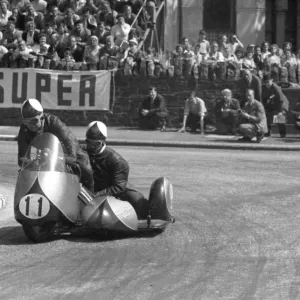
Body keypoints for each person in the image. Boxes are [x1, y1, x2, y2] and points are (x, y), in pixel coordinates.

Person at [18, 98, 94, 191]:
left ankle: (92, 194)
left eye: (34, 121)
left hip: (64, 152)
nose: (30, 125)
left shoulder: (54, 122)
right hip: (44, 156)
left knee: (85, 168)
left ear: (41, 118)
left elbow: (70, 141)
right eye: (26, 122)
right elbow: (21, 159)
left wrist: (63, 157)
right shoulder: (24, 130)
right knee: (23, 173)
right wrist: (33, 162)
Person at [84, 121, 149, 219]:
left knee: (135, 198)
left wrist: (95, 195)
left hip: (110, 195)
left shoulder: (117, 161)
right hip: (86, 192)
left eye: (95, 144)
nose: (91, 146)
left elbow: (118, 187)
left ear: (102, 142)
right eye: (88, 142)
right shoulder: (82, 152)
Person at [262, 73, 289, 137]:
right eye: (265, 82)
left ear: (272, 80)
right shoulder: (263, 88)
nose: (267, 84)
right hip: (272, 104)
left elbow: (281, 100)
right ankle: (267, 132)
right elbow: (264, 99)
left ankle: (282, 134)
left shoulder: (276, 88)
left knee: (280, 116)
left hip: (282, 104)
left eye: (268, 82)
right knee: (267, 116)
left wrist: (279, 111)